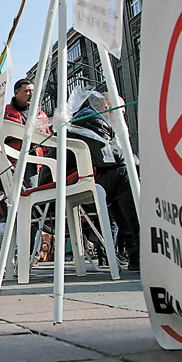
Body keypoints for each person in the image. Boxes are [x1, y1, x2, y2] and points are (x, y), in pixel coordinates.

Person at [66, 89, 140, 271]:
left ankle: (137, 253)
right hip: (75, 182)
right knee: (125, 175)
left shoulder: (88, 117)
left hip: (80, 179)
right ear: (108, 107)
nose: (122, 119)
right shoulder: (94, 119)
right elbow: (107, 158)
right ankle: (139, 250)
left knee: (121, 178)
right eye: (120, 112)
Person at [4, 78, 53, 189]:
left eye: (32, 91)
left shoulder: (40, 114)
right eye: (27, 91)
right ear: (16, 93)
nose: (31, 94)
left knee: (33, 190)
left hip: (34, 161)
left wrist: (42, 133)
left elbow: (48, 143)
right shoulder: (5, 112)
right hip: (11, 160)